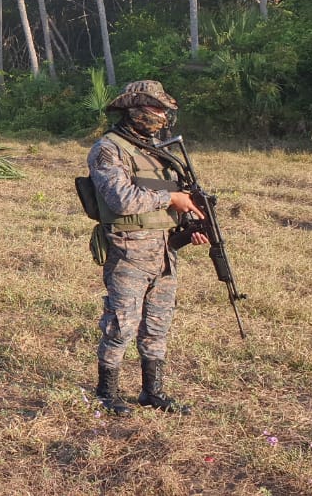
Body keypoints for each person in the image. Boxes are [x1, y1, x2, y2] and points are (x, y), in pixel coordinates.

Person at [85, 80, 208, 416]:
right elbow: (121, 200)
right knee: (121, 323)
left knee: (157, 325)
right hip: (128, 251)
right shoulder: (108, 149)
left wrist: (190, 227)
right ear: (133, 108)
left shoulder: (158, 153)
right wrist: (172, 198)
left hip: (164, 252)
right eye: (154, 108)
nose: (161, 115)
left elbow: (171, 205)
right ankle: (106, 392)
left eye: (163, 110)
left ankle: (152, 392)